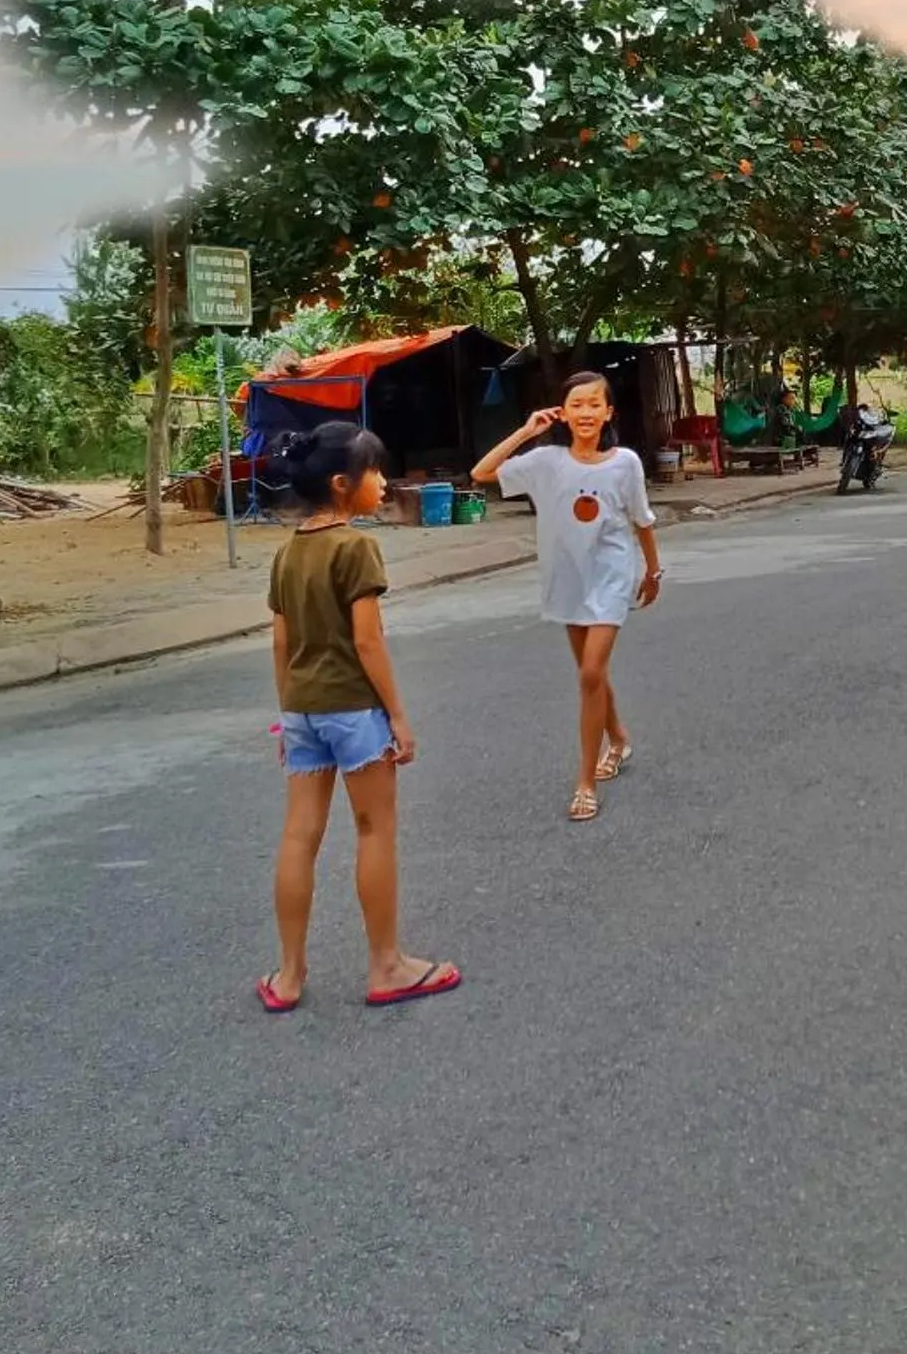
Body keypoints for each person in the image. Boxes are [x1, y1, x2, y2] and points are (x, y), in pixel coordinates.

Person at [260, 420, 460, 1013]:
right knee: (374, 829)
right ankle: (387, 966)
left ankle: (288, 974)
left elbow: (281, 643)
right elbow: (367, 642)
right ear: (342, 484)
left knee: (299, 836)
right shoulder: (356, 548)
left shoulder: (287, 553)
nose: (383, 482)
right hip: (354, 711)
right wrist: (398, 716)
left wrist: (287, 714)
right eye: (374, 472)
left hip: (303, 711)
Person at [472, 372, 663, 821]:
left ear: (609, 412)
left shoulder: (626, 463)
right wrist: (526, 431)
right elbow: (482, 472)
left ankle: (585, 783)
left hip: (612, 577)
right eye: (576, 404)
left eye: (595, 404)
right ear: (562, 412)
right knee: (590, 675)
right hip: (567, 579)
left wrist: (653, 570)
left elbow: (642, 520)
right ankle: (618, 739)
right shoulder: (546, 461)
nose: (586, 412)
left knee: (591, 671)